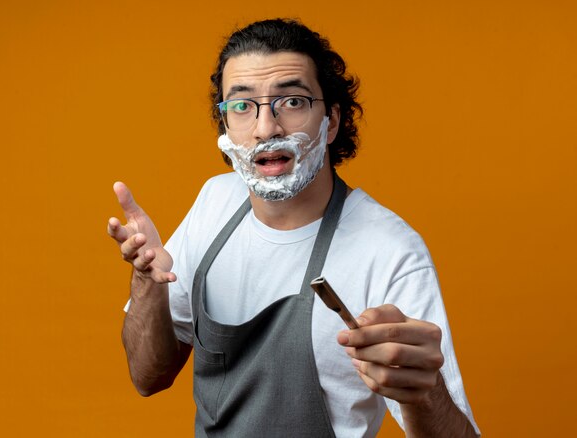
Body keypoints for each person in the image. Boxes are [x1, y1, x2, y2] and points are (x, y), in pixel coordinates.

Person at [108, 18, 480, 437]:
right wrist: (146, 283)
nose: (267, 128)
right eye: (243, 105)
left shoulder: (390, 251)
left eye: (292, 101)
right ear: (226, 126)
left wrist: (423, 394)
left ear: (332, 122)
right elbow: (148, 377)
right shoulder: (214, 203)